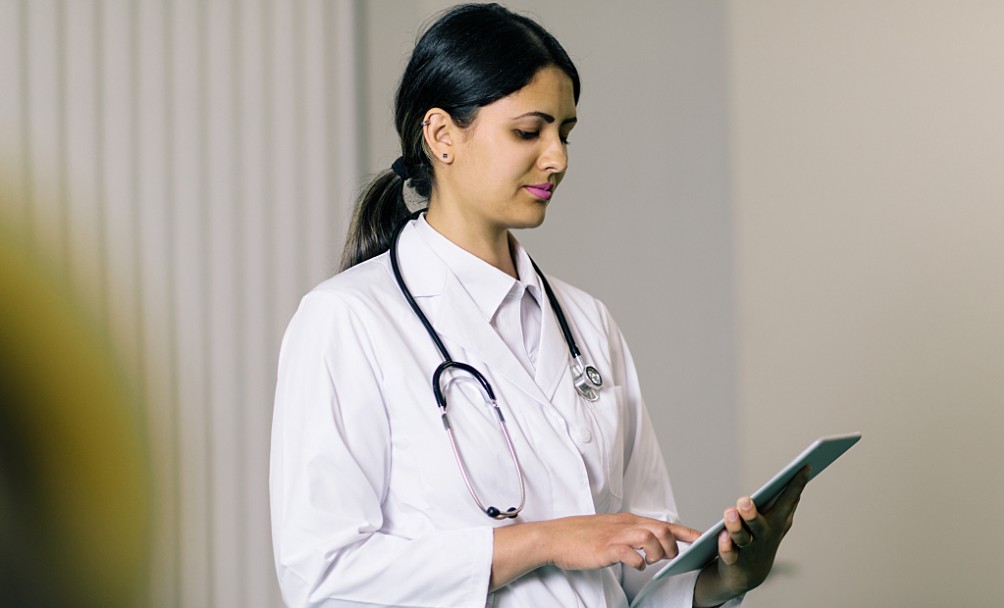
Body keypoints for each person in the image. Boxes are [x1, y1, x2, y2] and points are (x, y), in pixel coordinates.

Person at [269, 4, 808, 606]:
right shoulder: (348, 320)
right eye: (530, 131)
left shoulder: (588, 324)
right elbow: (322, 577)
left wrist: (724, 579)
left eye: (565, 133)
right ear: (442, 135)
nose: (558, 158)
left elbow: (636, 570)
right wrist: (545, 541)